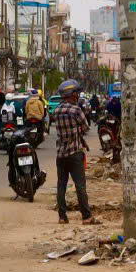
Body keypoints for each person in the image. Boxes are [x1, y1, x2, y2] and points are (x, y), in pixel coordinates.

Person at [51, 79, 96, 224]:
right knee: (80, 186)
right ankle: (86, 216)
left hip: (60, 154)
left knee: (61, 186)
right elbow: (86, 128)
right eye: (76, 93)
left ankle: (62, 217)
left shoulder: (56, 111)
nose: (77, 96)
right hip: (75, 153)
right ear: (72, 94)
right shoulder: (76, 110)